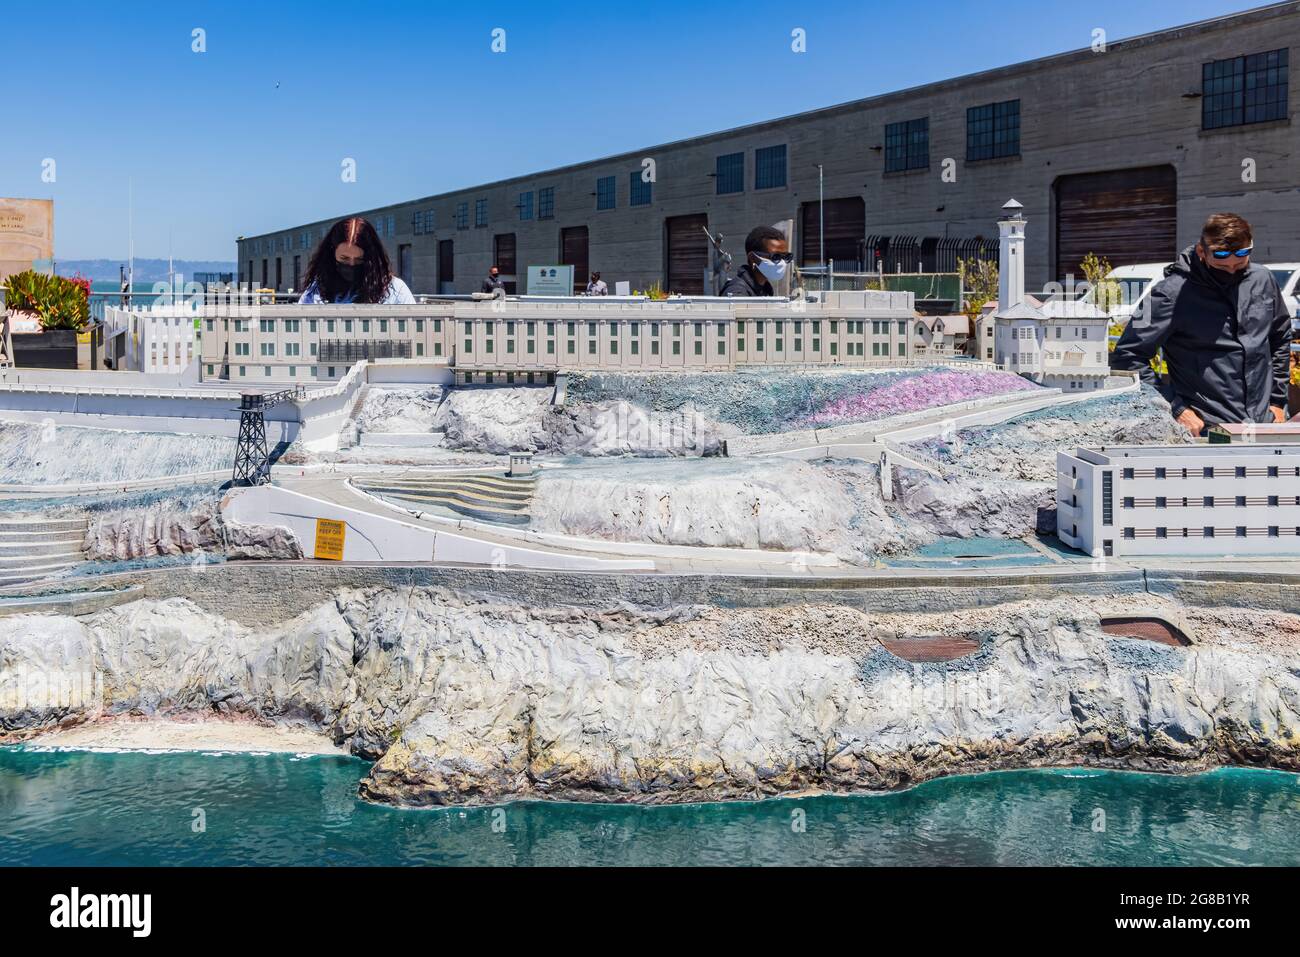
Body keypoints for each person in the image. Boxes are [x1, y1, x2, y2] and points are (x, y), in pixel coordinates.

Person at [1111, 213, 1290, 433]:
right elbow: (1126, 357)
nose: (1232, 272)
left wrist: (1277, 402)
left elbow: (1280, 337)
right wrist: (1175, 408)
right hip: (1207, 429)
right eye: (1222, 267)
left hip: (1264, 423)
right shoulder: (1167, 294)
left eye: (1240, 265)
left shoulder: (1263, 280)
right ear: (1201, 252)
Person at [299, 218, 414, 304]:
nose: (352, 265)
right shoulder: (316, 291)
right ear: (331, 255)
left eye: (359, 260)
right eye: (344, 259)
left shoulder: (396, 290)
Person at [720, 225, 792, 297]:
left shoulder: (765, 290)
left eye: (786, 256)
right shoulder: (737, 293)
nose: (782, 262)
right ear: (752, 258)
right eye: (776, 257)